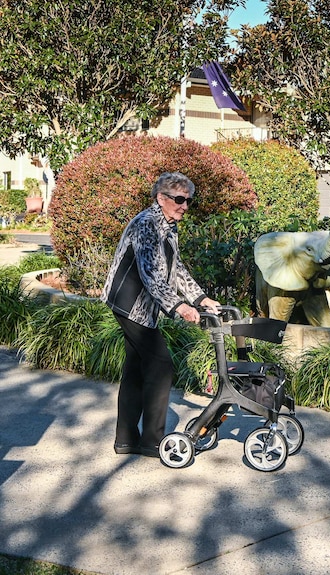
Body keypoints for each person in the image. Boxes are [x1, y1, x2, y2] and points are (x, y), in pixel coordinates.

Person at [101, 172, 220, 457]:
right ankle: (153, 441)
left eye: (188, 200)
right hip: (129, 305)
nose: (184, 206)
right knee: (160, 365)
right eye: (179, 199)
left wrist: (201, 299)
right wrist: (180, 307)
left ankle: (126, 439)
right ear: (161, 198)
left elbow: (176, 269)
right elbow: (151, 274)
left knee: (135, 371)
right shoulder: (146, 224)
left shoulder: (169, 225)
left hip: (143, 308)